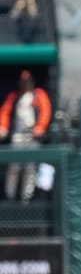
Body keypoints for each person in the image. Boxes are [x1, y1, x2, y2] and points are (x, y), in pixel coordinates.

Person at [0, 70, 52, 202]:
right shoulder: (14, 96)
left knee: (30, 168)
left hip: (31, 137)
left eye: (27, 82)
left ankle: (26, 199)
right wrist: (3, 127)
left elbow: (45, 111)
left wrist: (40, 127)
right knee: (14, 167)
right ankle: (10, 196)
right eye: (23, 82)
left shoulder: (38, 95)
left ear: (31, 82)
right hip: (17, 136)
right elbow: (5, 112)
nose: (25, 84)